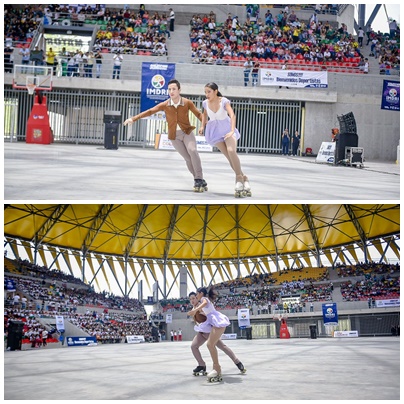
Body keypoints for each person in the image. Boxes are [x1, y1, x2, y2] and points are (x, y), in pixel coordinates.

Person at [124, 79, 208, 192]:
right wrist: (133, 119)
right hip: (174, 136)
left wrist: (207, 124)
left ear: (179, 90)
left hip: (187, 132)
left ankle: (198, 178)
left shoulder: (187, 102)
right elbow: (150, 111)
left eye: (174, 89)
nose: (171, 91)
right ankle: (199, 180)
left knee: (192, 150)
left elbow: (199, 114)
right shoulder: (165, 104)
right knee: (188, 158)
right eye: (169, 89)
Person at [199, 82, 251, 197]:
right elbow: (204, 115)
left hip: (227, 129)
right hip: (215, 132)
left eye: (209, 91)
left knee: (232, 151)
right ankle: (245, 178)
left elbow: (232, 115)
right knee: (229, 158)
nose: (207, 94)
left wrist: (232, 130)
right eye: (205, 92)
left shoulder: (224, 101)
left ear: (215, 91)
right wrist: (203, 126)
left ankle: (239, 179)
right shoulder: (205, 103)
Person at [189, 291, 246, 376]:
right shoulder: (193, 308)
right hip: (201, 332)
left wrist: (200, 311)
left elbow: (208, 313)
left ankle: (237, 362)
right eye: (190, 299)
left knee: (222, 347)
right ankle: (201, 365)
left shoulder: (201, 306)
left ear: (197, 298)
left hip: (209, 332)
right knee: (194, 346)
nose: (192, 300)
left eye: (194, 298)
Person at [187, 287, 231, 382]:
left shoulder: (203, 299)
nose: (196, 296)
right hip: (213, 323)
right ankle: (216, 369)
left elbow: (205, 303)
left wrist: (196, 310)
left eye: (196, 294)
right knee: (210, 345)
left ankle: (217, 369)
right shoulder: (200, 302)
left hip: (217, 321)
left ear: (201, 293)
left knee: (213, 345)